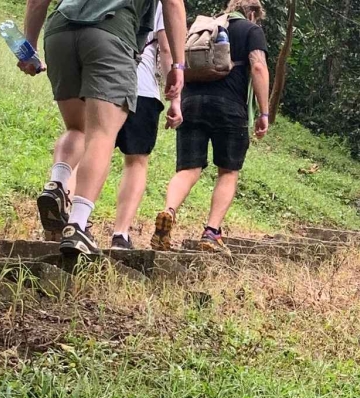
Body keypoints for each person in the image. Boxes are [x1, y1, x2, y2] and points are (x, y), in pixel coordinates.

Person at [22, 0, 187, 264]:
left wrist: (27, 47)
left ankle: (57, 182)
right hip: (111, 34)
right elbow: (173, 4)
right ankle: (76, 225)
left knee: (77, 128)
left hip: (60, 31)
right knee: (101, 134)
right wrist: (178, 66)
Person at [150, 0, 270, 254]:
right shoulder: (250, 29)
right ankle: (211, 232)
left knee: (188, 168)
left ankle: (169, 210)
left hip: (192, 102)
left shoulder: (204, 27)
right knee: (228, 172)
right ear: (252, 12)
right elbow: (258, 66)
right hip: (229, 107)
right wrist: (264, 112)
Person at [108, 2, 182, 249]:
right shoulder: (159, 3)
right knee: (136, 162)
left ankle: (76, 221)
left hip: (103, 79)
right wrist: (175, 98)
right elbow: (166, 47)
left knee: (93, 147)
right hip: (142, 90)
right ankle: (120, 234)